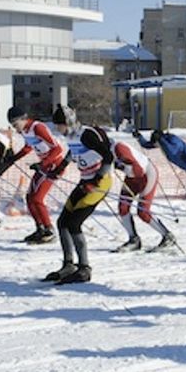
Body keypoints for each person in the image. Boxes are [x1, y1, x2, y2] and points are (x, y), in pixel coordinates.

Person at [42, 105, 113, 285]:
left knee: (74, 223)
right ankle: (68, 265)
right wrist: (57, 170)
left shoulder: (86, 134)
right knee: (62, 222)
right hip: (85, 181)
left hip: (100, 182)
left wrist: (95, 181)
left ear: (69, 122)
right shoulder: (73, 136)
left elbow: (108, 156)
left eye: (60, 125)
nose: (58, 130)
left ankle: (84, 268)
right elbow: (71, 153)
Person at [7, 106, 68, 244]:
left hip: (54, 166)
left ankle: (49, 230)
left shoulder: (37, 127)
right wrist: (14, 158)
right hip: (44, 165)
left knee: (37, 198)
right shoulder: (25, 130)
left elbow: (57, 149)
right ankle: (40, 228)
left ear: (23, 119)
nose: (16, 129)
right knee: (29, 197)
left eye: (16, 125)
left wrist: (43, 163)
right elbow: (28, 147)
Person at [112, 135, 177, 253]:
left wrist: (119, 166)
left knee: (143, 211)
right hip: (131, 178)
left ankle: (167, 236)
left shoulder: (119, 148)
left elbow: (138, 170)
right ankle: (134, 239)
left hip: (147, 175)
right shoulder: (102, 152)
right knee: (123, 207)